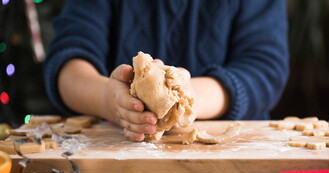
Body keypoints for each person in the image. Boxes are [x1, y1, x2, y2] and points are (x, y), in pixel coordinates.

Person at [44, 0, 289, 142]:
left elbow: (265, 69)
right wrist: (108, 100)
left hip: (233, 155)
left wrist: (186, 99)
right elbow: (68, 66)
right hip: (112, 150)